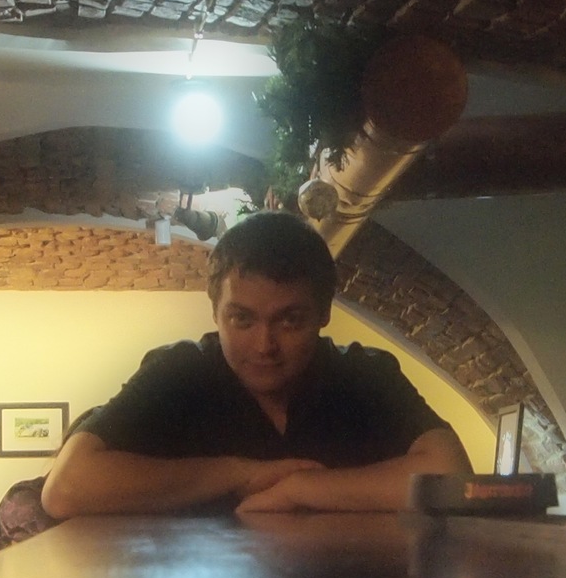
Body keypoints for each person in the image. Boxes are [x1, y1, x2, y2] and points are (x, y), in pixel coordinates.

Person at [40, 212, 472, 518]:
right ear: (215, 311)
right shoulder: (178, 372)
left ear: (324, 313)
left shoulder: (365, 374)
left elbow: (453, 477)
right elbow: (67, 489)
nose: (265, 345)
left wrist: (301, 489)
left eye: (290, 320)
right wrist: (240, 474)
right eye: (242, 319)